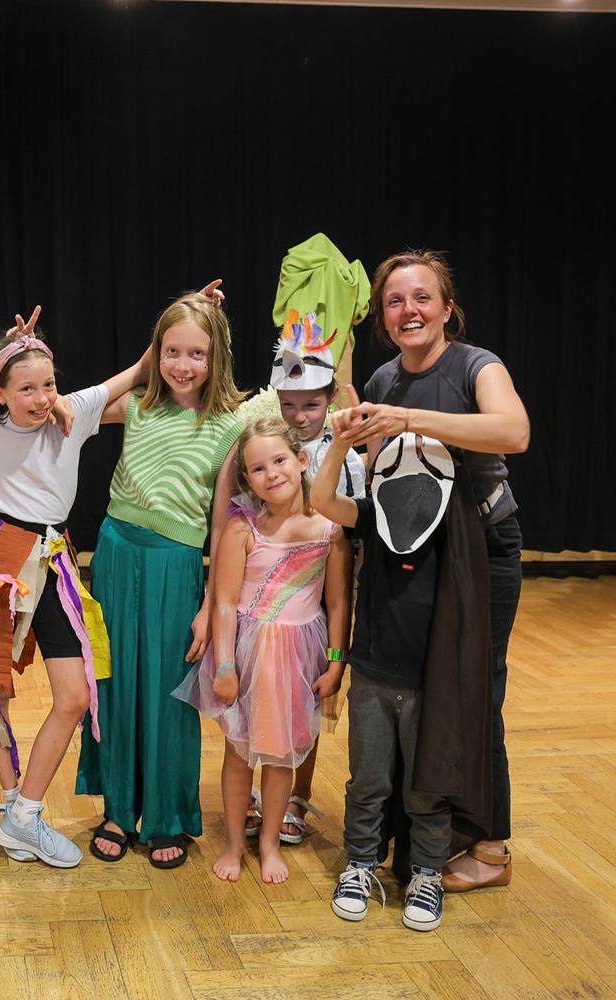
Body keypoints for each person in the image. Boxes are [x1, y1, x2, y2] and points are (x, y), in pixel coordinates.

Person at [337, 250, 529, 893]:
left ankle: (492, 849)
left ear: (448, 308)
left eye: (422, 297)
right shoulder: (383, 378)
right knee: (419, 697)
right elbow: (378, 478)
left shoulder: (477, 365)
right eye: (395, 301)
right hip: (413, 558)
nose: (408, 310)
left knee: (474, 693)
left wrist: (408, 419)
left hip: (481, 553)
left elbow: (514, 431)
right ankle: (421, 840)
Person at [0, 314, 149, 868]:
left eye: (48, 384)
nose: (42, 398)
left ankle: (25, 815)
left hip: (54, 558)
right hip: (2, 559)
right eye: (25, 389)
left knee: (74, 695)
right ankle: (11, 805)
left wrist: (198, 311)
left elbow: (140, 369)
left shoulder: (75, 412)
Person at [75, 285, 254, 869]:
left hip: (176, 566)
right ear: (155, 352)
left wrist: (208, 605)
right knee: (114, 684)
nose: (183, 365)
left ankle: (168, 816)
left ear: (216, 356)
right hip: (115, 554)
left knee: (169, 694)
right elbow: (74, 410)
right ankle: (118, 808)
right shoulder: (137, 405)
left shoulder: (229, 424)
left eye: (196, 353)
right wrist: (140, 367)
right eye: (171, 351)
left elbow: (223, 523)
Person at [173, 417, 351, 884]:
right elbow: (225, 602)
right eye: (257, 468)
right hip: (247, 655)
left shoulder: (330, 529)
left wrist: (336, 663)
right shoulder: (242, 528)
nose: (271, 474)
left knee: (279, 758)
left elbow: (337, 602)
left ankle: (269, 843)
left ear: (302, 460)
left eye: (279, 460)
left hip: (298, 659)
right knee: (239, 755)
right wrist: (225, 665)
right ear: (247, 480)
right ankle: (235, 844)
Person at [243, 236, 370, 848]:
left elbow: (353, 532)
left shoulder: (347, 455)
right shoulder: (268, 450)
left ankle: (296, 795)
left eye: (311, 404)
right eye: (289, 404)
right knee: (262, 692)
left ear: (328, 400)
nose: (300, 415)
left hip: (321, 588)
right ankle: (258, 792)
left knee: (309, 694)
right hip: (270, 590)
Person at [311, 421, 454, 932]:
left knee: (426, 785)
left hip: (428, 683)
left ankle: (428, 873)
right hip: (372, 676)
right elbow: (322, 499)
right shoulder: (372, 514)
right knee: (368, 781)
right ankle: (360, 864)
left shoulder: (451, 524)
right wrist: (342, 444)